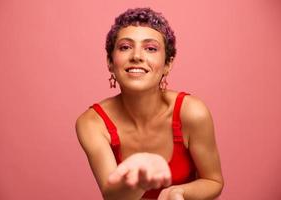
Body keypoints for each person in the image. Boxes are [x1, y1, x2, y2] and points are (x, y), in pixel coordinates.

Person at [76, 7, 224, 200]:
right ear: (110, 62)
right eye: (125, 47)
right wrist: (140, 181)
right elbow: (113, 197)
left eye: (151, 48)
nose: (137, 56)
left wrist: (177, 192)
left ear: (168, 64)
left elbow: (214, 181)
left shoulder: (192, 112)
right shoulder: (92, 123)